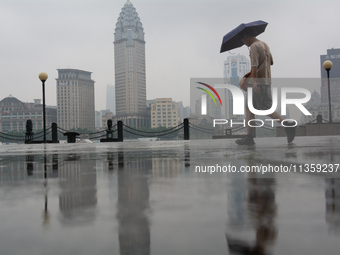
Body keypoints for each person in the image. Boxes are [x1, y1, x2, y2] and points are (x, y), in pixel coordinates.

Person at [235, 32, 295, 145]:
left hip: (257, 81)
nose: (244, 43)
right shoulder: (265, 45)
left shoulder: (254, 46)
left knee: (249, 108)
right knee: (266, 107)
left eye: (243, 41)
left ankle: (249, 137)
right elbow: (271, 62)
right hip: (266, 82)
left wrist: (254, 82)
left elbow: (254, 66)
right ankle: (287, 124)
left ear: (246, 36)